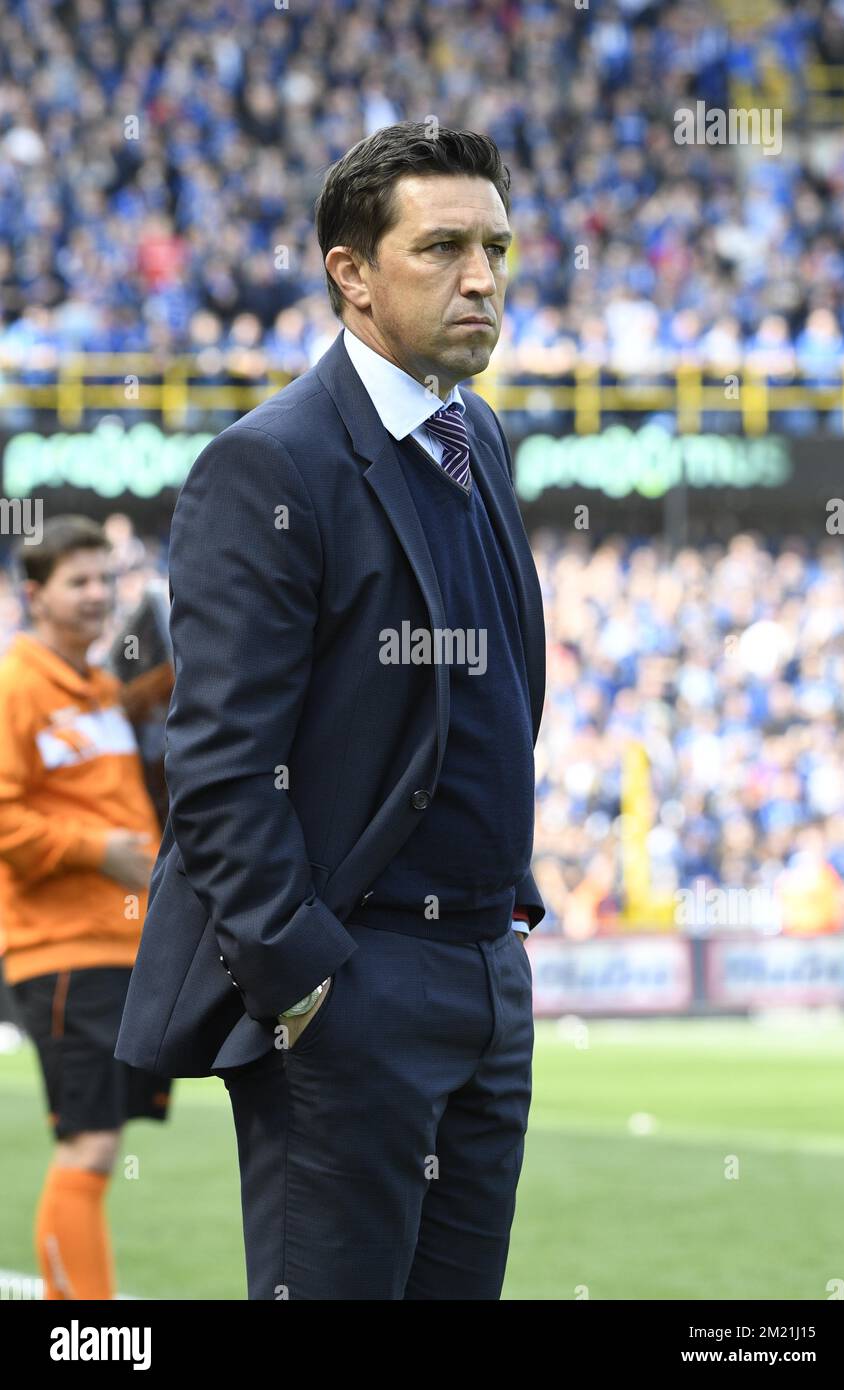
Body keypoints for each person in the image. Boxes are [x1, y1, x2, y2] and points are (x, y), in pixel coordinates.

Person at [116, 122, 546, 1300]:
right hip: (352, 981)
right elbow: (212, 765)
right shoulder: (271, 465)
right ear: (349, 274)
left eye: (496, 247)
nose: (481, 278)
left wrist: (502, 933)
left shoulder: (478, 437)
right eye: (443, 247)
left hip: (482, 970)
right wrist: (304, 979)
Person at [0, 516, 171, 1299]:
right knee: (90, 1147)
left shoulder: (100, 686)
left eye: (106, 578)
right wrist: (97, 849)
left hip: (121, 944)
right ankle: (83, 1328)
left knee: (101, 1146)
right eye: (79, 581)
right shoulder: (16, 685)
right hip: (61, 945)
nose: (99, 594)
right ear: (34, 594)